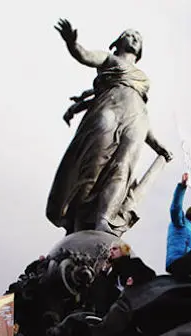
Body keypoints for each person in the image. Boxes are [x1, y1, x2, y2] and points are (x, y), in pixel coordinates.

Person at [46, 19, 173, 236]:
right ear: (118, 42)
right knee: (93, 165)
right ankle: (77, 222)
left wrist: (156, 144)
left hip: (136, 120)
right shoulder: (109, 59)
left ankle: (104, 218)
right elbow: (84, 55)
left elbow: (140, 109)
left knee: (123, 168)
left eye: (138, 38)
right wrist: (72, 44)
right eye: (129, 34)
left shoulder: (143, 79)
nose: (134, 38)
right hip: (108, 111)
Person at [87, 241, 156, 316]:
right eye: (110, 250)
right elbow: (102, 288)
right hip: (118, 303)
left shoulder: (134, 262)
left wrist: (135, 280)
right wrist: (104, 270)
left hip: (132, 301)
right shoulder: (114, 270)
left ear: (123, 250)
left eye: (114, 249)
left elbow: (151, 275)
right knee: (99, 282)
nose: (111, 251)